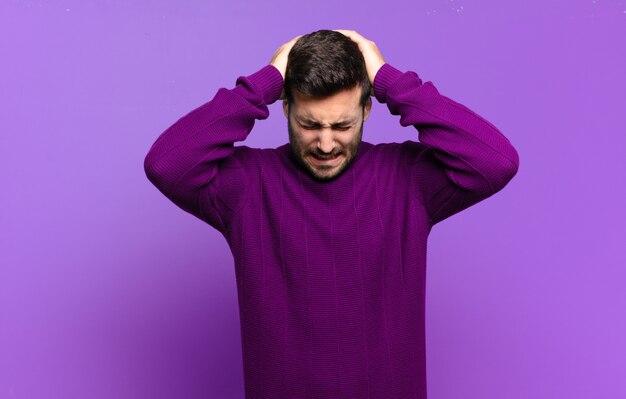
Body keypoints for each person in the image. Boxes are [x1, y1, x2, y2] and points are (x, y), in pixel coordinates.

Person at [144, 29, 519, 399]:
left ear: (367, 109)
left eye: (342, 125)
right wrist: (264, 83)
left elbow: (496, 162)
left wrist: (390, 80)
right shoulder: (247, 185)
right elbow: (166, 164)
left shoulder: (407, 179)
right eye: (309, 125)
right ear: (286, 108)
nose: (326, 144)